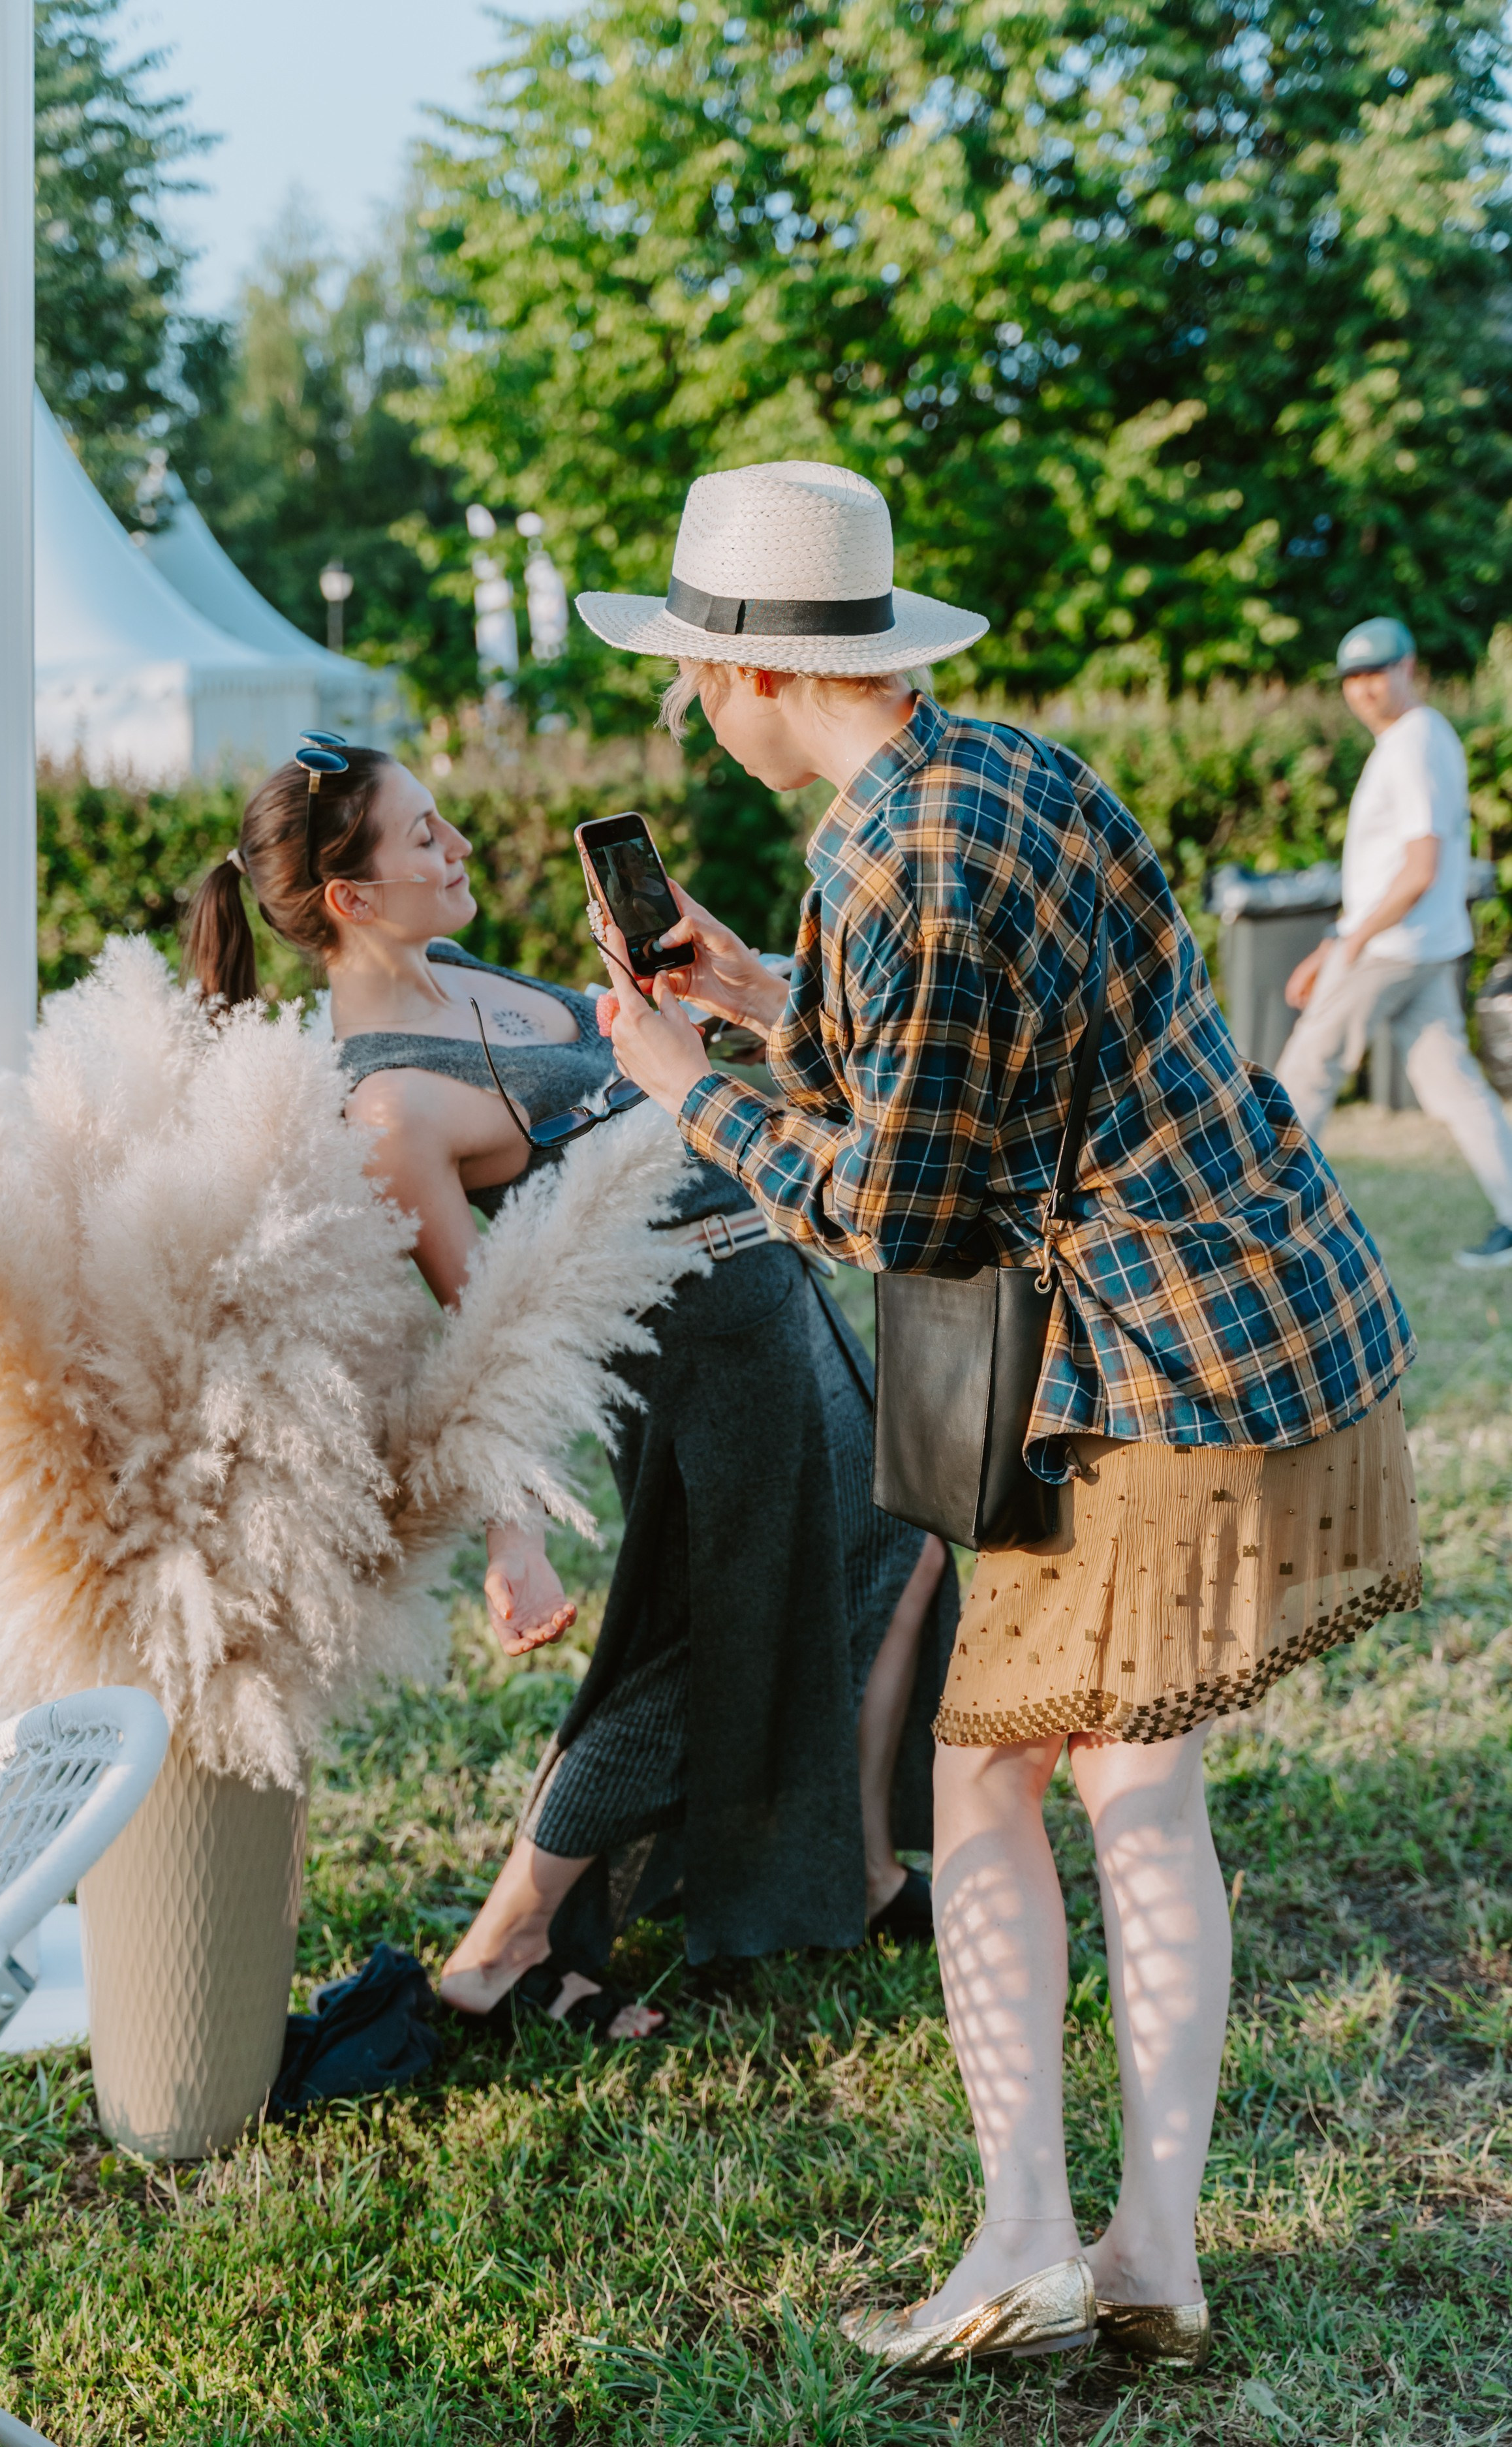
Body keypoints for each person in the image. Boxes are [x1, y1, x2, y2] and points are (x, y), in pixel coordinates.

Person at [577, 459, 1421, 2372]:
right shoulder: (988, 777)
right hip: (1245, 1312)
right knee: (1132, 1784)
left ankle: (1034, 2236)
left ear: (739, 674)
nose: (691, 708)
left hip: (1147, 1367)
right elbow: (960, 1075)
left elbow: (896, 1209)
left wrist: (670, 1080)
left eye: (692, 672)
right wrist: (751, 993)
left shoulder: (896, 861)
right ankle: (1143, 2245)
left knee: (995, 1779)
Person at [182, 743, 956, 2044]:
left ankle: (864, 1866)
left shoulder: (465, 978)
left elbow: (626, 1098)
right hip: (702, 1359)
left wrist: (686, 1015)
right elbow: (490, 1326)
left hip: (775, 1293)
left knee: (902, 1544)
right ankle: (502, 1945)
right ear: (351, 899)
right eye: (421, 839)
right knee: (693, 1648)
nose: (458, 848)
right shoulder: (385, 1104)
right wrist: (513, 1542)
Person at [1275, 615, 1512, 1270]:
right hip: (1419, 943)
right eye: (1353, 677)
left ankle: (1272, 1226)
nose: (1364, 688)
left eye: (1377, 672)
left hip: (1392, 947)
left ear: (1409, 668)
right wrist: (1337, 943)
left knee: (1304, 1072)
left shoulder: (1413, 742)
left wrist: (1347, 945)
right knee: (1452, 1084)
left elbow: (1420, 868)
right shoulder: (1415, 741)